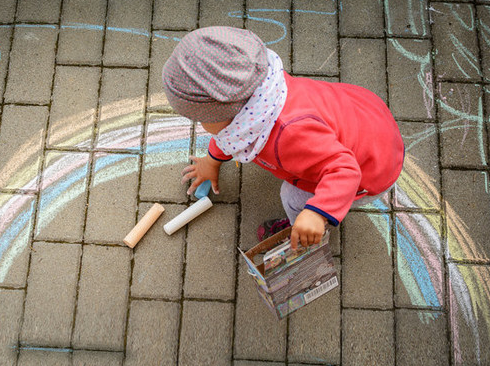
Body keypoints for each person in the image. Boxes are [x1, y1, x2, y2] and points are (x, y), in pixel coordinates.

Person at [162, 26, 404, 250]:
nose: (201, 126)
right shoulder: (261, 89)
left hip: (370, 170)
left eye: (201, 119)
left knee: (292, 197)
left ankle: (298, 231)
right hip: (363, 116)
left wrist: (317, 213)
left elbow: (346, 170)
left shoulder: (292, 136)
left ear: (229, 114)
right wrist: (211, 161)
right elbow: (230, 133)